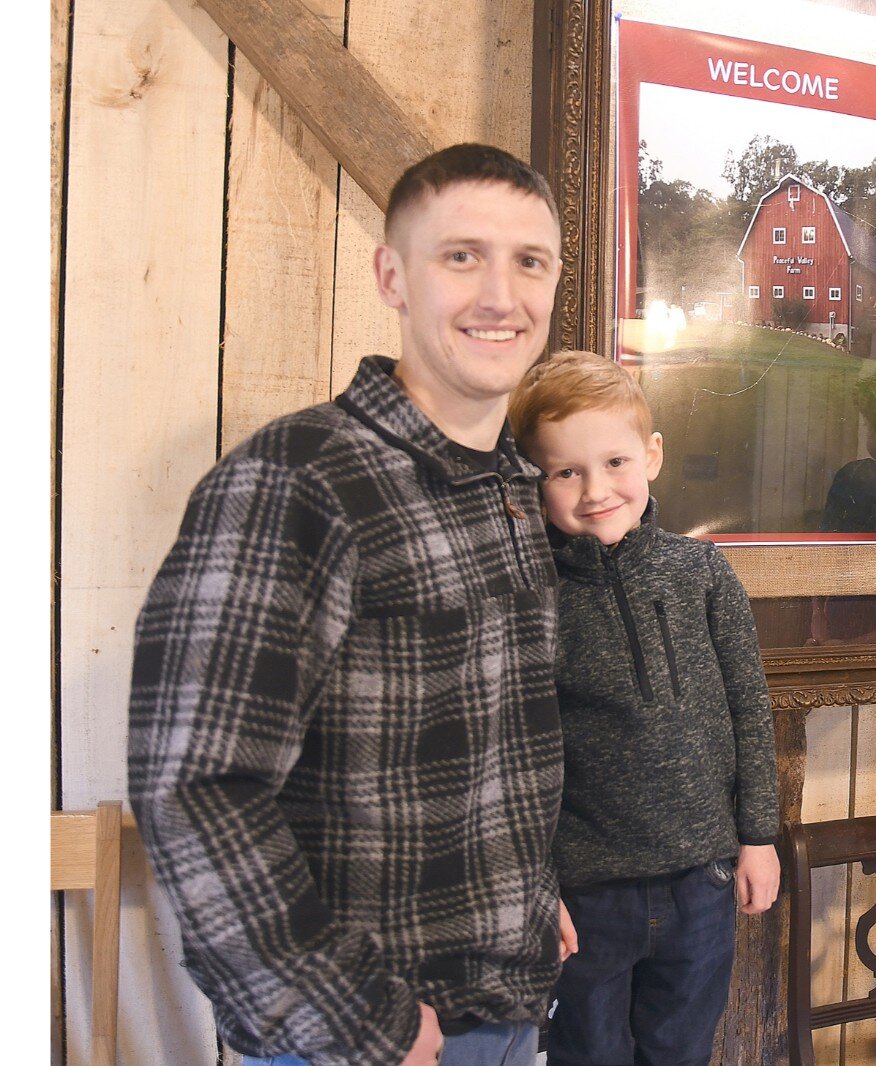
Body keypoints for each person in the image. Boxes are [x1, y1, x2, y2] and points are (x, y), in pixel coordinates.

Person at [127, 143, 578, 1066]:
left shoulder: (511, 489)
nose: (502, 295)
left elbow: (479, 748)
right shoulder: (298, 480)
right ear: (392, 277)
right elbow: (196, 790)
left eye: (528, 261)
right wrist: (353, 1017)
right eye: (462, 256)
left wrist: (526, 896)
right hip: (366, 1036)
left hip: (507, 1004)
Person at [508, 351, 780, 1066]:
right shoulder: (530, 598)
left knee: (681, 1052)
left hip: (704, 884)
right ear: (536, 485)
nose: (596, 489)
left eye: (615, 462)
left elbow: (750, 710)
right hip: (586, 896)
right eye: (566, 472)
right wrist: (540, 892)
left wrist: (758, 837)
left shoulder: (702, 574)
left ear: (652, 455)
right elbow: (517, 760)